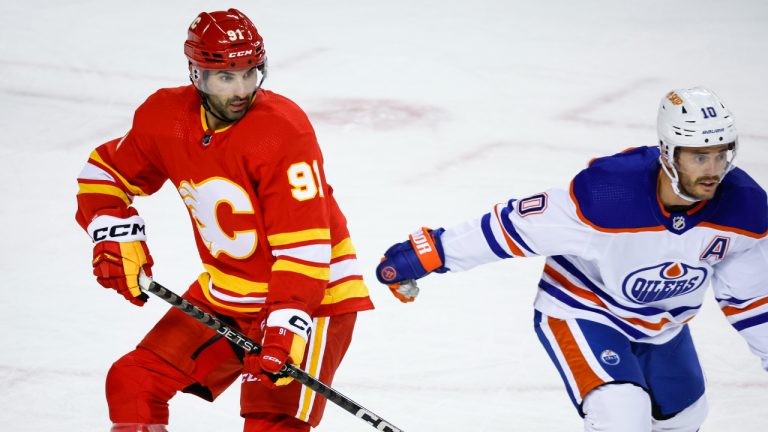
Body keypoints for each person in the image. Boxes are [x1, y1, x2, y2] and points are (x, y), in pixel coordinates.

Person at [376, 87, 768, 431]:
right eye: (699, 158)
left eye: (721, 155)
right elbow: (515, 227)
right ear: (668, 153)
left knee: (686, 417)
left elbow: (752, 299)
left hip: (663, 324)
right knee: (621, 416)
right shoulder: (610, 194)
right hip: (583, 310)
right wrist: (431, 252)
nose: (713, 170)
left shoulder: (743, 209)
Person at [75, 8, 374, 432]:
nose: (241, 90)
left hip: (312, 296)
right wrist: (112, 231)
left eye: (251, 73)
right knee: (133, 382)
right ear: (196, 75)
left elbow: (305, 247)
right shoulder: (165, 117)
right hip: (228, 293)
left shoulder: (282, 132)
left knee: (271, 422)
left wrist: (285, 328)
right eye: (226, 77)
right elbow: (105, 174)